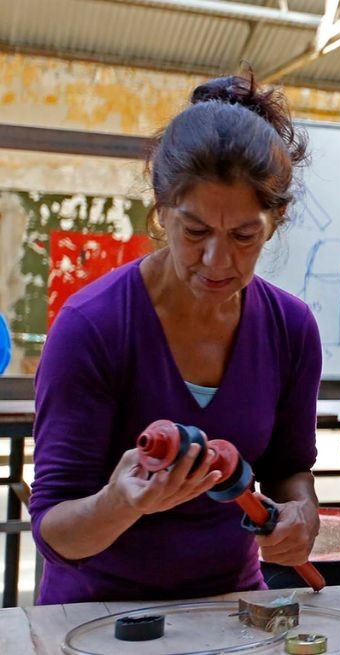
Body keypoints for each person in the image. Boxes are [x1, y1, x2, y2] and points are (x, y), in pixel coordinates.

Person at [30, 74, 322, 604]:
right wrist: (119, 504)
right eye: (194, 232)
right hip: (98, 616)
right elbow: (55, 530)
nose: (217, 261)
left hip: (231, 607)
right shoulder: (93, 327)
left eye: (243, 236)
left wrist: (301, 516)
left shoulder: (292, 329)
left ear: (276, 222)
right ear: (162, 212)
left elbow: (289, 470)